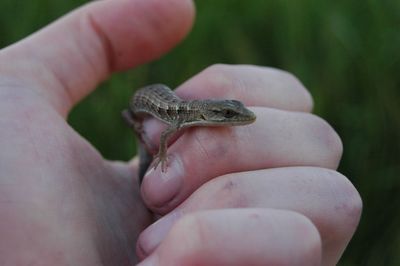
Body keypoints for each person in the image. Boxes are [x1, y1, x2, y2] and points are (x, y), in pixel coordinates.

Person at [0, 0, 362, 265]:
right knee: (143, 126)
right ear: (210, 113)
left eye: (228, 114)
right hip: (141, 107)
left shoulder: (190, 115)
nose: (234, 119)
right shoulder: (177, 119)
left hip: (165, 108)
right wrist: (157, 152)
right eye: (226, 115)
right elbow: (157, 134)